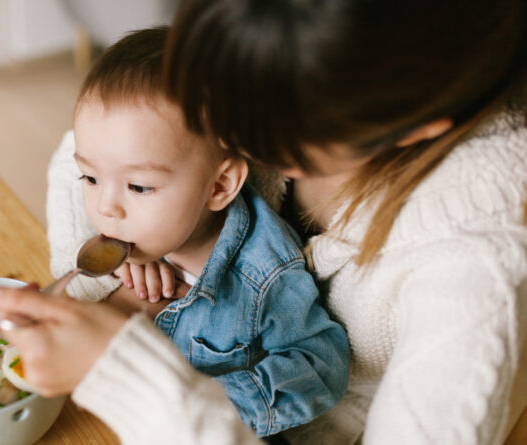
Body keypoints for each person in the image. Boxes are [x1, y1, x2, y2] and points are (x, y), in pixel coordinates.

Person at [0, 0, 527, 443]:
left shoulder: (475, 267)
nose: (223, 128)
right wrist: (113, 278)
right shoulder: (264, 44)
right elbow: (81, 154)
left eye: (260, 125)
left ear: (408, 128)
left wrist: (122, 372)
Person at [45, 26, 349, 437]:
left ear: (219, 186)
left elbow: (321, 364)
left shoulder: (265, 274)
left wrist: (205, 401)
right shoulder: (145, 233)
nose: (105, 207)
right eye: (91, 178)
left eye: (138, 187)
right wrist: (124, 268)